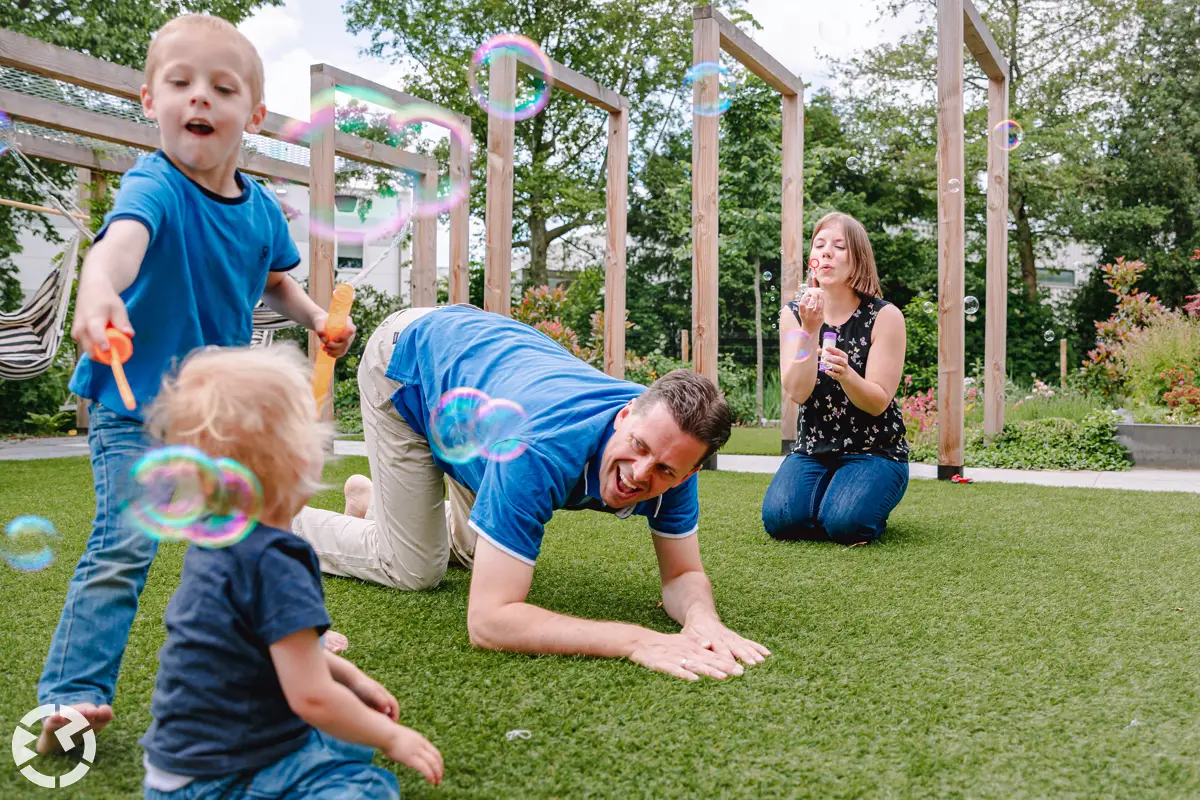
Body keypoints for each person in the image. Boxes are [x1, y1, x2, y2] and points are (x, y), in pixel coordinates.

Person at [36, 14, 356, 754]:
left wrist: (314, 318)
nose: (198, 99)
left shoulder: (262, 209)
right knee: (124, 548)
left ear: (256, 115)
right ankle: (72, 695)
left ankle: (291, 639)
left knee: (256, 531)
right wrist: (97, 296)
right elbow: (118, 248)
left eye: (221, 87)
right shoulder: (154, 185)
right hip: (133, 406)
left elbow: (274, 278)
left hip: (219, 414)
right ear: (150, 101)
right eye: (180, 84)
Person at [292, 305, 771, 681]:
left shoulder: (672, 450)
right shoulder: (540, 450)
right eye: (638, 447)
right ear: (626, 414)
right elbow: (489, 622)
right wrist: (635, 640)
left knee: (472, 549)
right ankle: (283, 524)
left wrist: (701, 618)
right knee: (416, 568)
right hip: (410, 360)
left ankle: (374, 503)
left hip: (483, 381)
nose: (639, 476)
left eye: (664, 470)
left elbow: (682, 574)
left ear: (686, 473)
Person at [138, 345, 442, 799]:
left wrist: (351, 677)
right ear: (301, 462)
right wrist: (394, 739)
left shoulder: (216, 544)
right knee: (367, 786)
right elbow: (312, 698)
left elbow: (254, 649)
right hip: (226, 776)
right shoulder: (279, 561)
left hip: (177, 769)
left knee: (353, 717)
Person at [762, 211, 910, 545]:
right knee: (781, 521)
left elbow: (877, 403)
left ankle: (852, 508)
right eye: (819, 244)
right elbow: (798, 392)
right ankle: (836, 503)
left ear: (858, 259)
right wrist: (810, 329)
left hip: (875, 451)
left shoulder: (885, 317)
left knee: (847, 525)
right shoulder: (793, 315)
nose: (826, 252)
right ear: (812, 260)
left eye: (839, 246)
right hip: (813, 450)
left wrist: (847, 376)